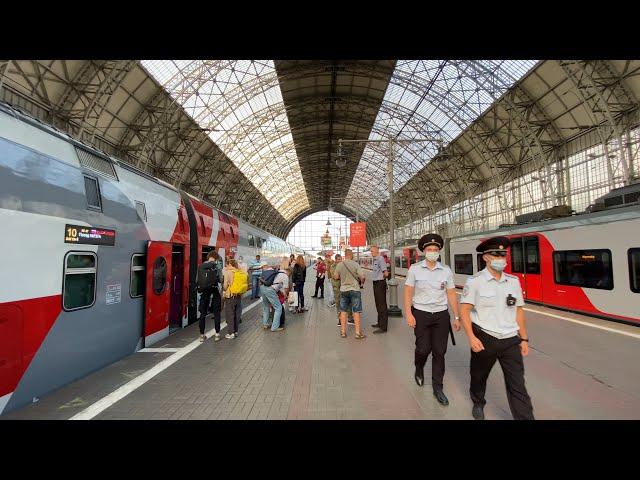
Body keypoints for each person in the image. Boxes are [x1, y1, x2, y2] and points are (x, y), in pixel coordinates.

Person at [459, 235, 534, 420]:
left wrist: (524, 338)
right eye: (495, 254)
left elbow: (519, 312)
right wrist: (471, 337)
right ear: (485, 257)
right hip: (485, 338)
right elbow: (465, 310)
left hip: (510, 339)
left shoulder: (513, 281)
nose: (500, 258)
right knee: (479, 376)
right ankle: (478, 402)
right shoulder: (475, 282)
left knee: (517, 384)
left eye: (503, 255)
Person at [404, 234, 461, 406]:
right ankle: (419, 367)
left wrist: (456, 316)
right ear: (424, 251)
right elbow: (408, 291)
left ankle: (438, 388)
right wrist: (409, 313)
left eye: (435, 250)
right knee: (423, 349)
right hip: (420, 313)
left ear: (439, 252)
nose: (433, 252)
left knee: (439, 352)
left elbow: (451, 293)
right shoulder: (414, 269)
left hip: (441, 315)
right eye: (429, 250)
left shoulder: (446, 270)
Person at [333, 249, 366, 339]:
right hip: (355, 290)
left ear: (345, 255)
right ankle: (358, 333)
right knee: (356, 311)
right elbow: (362, 277)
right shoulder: (355, 264)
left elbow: (335, 277)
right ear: (351, 255)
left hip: (343, 290)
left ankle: (343, 332)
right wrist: (362, 282)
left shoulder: (340, 265)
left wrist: (342, 278)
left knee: (343, 311)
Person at [196, 251, 222, 342]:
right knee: (217, 313)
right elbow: (220, 279)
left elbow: (197, 280)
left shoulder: (200, 266)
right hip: (214, 291)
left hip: (204, 293)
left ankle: (202, 335)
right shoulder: (216, 266)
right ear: (216, 258)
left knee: (202, 314)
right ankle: (217, 334)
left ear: (208, 257)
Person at [260, 258, 289, 332]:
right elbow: (286, 289)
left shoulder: (276, 272)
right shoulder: (285, 276)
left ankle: (265, 324)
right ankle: (274, 327)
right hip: (270, 289)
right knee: (278, 308)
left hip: (263, 288)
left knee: (266, 306)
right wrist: (285, 296)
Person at [222, 258, 246, 339]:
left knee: (230, 314)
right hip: (238, 295)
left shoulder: (228, 272)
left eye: (226, 264)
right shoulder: (239, 271)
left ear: (229, 264)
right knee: (237, 314)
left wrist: (224, 289)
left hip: (230, 296)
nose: (225, 266)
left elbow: (225, 286)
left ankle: (231, 333)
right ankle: (235, 331)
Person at [369, 245, 389, 334]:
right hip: (376, 283)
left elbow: (386, 273)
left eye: (372, 251)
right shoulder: (375, 260)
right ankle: (379, 323)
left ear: (377, 251)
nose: (371, 253)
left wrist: (382, 279)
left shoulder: (380, 259)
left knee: (382, 305)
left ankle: (383, 327)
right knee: (378, 304)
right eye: (371, 251)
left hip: (380, 283)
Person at [329, 254, 353, 326]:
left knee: (348, 302)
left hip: (345, 287)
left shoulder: (344, 266)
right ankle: (340, 319)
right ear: (336, 260)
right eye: (338, 259)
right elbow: (335, 277)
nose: (340, 260)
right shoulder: (332, 266)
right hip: (337, 287)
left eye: (341, 259)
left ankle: (350, 318)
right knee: (338, 303)